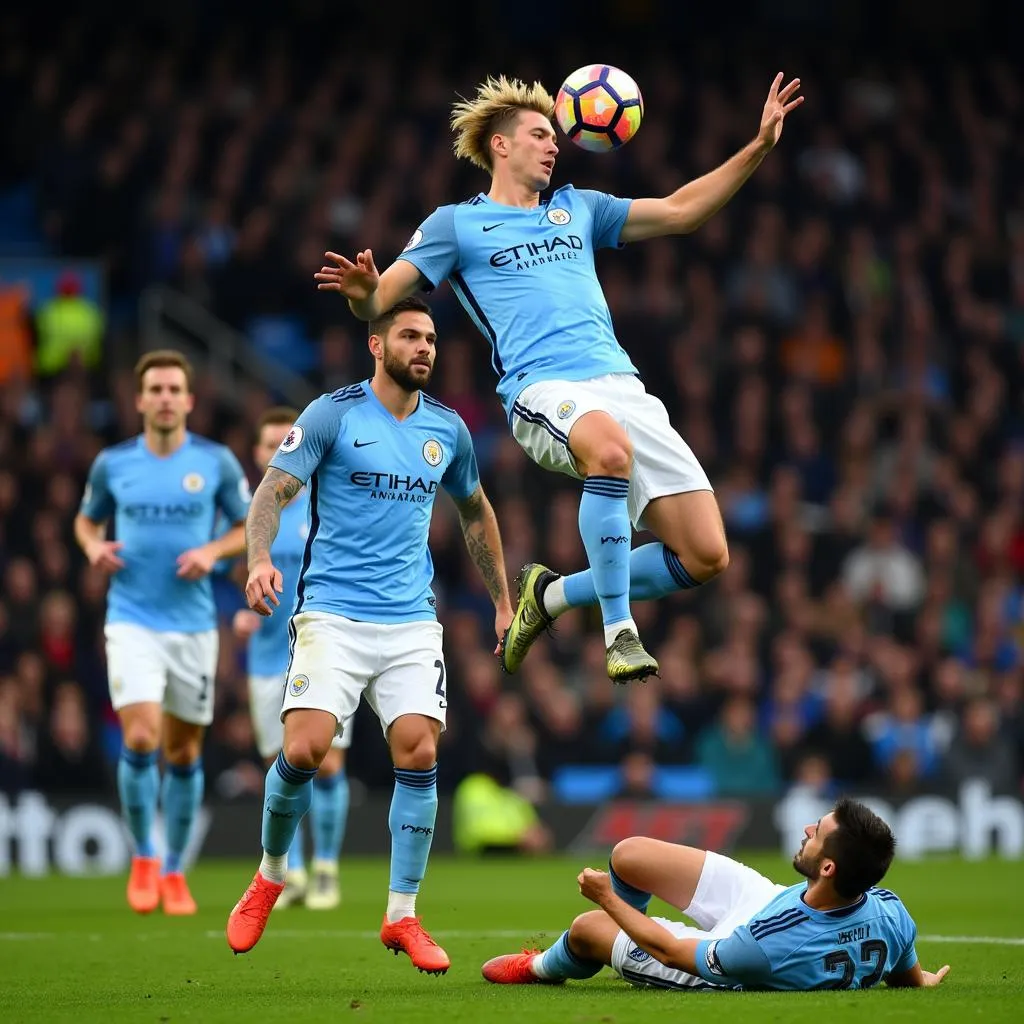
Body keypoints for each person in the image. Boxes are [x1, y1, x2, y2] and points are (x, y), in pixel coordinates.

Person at [315, 72, 803, 685]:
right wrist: (363, 298)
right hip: (540, 388)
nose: (554, 145)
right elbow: (378, 298)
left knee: (706, 554)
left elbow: (681, 213)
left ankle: (550, 598)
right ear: (500, 144)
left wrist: (758, 146)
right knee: (609, 450)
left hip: (621, 385)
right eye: (541, 134)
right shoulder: (455, 225)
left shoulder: (579, 208)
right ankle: (619, 632)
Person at [226, 296, 514, 974]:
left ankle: (402, 916)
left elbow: (476, 512)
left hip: (412, 619)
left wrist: (502, 602)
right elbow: (271, 491)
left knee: (417, 752)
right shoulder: (333, 413)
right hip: (332, 612)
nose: (425, 348)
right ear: (377, 346)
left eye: (432, 338)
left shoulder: (449, 430)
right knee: (306, 745)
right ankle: (270, 874)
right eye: (410, 336)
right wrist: (260, 559)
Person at [74, 349, 251, 915]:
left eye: (176, 389)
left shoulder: (217, 462)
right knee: (142, 736)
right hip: (131, 620)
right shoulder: (113, 464)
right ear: (141, 399)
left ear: (190, 400)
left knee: (182, 750)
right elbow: (86, 517)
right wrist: (92, 545)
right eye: (157, 389)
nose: (167, 397)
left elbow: (251, 525)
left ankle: (175, 870)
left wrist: (211, 550)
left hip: (194, 626)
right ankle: (145, 858)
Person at [481, 797, 951, 991]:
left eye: (818, 831)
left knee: (587, 929)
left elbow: (670, 950)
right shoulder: (891, 910)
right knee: (630, 854)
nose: (807, 827)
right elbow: (904, 966)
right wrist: (922, 981)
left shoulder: (763, 949)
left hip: (733, 962)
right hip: (772, 901)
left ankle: (546, 965)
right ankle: (620, 943)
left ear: (828, 867)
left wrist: (609, 902)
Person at [232, 407, 351, 911]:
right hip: (264, 660)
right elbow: (231, 575)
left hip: (323, 652)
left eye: (286, 440)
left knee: (325, 763)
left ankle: (325, 870)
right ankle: (293, 873)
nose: (278, 450)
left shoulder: (329, 504)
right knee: (280, 766)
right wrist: (240, 613)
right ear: (259, 454)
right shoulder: (254, 515)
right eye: (268, 443)